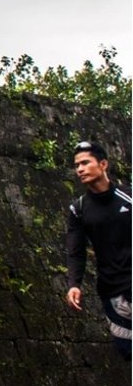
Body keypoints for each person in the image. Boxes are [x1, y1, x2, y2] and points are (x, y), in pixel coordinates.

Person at [65, 141, 132, 359]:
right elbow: (76, 251)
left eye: (85, 163)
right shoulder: (79, 209)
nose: (80, 169)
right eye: (77, 165)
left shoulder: (128, 198)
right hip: (113, 292)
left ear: (103, 164)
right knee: (127, 351)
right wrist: (74, 284)